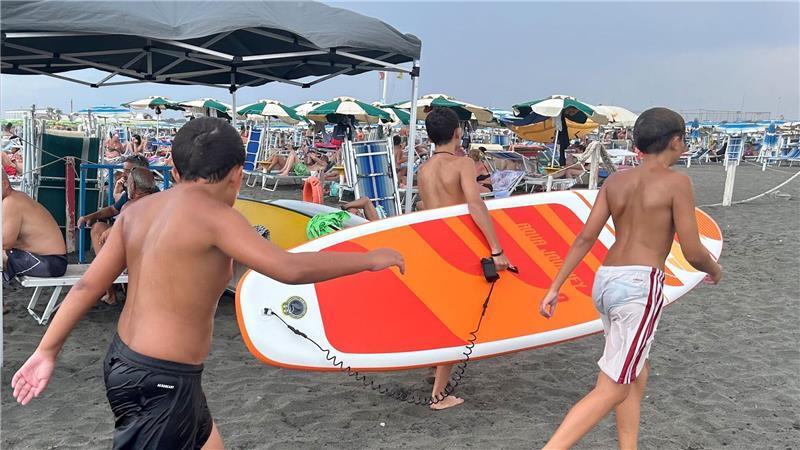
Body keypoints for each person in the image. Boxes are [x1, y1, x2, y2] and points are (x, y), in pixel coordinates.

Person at [11, 117, 404, 449]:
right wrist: (368, 259)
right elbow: (288, 269)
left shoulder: (137, 212)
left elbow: (85, 287)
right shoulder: (219, 217)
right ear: (237, 175)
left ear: (177, 172)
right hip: (161, 379)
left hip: (131, 362)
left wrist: (47, 351)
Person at [537, 108, 723, 449]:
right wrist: (715, 270)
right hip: (640, 286)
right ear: (675, 141)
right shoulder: (677, 182)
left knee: (636, 369)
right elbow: (694, 250)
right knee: (613, 386)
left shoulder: (616, 181)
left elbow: (585, 238)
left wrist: (555, 286)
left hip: (606, 280)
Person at [416, 108, 511, 410]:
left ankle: (434, 367)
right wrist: (496, 249)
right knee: (456, 318)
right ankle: (439, 395)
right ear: (457, 132)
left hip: (432, 245)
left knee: (439, 311)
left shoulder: (424, 169)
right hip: (457, 246)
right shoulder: (463, 164)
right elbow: (475, 205)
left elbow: (423, 208)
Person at [77, 155, 149, 304]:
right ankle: (110, 291)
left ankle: (110, 283)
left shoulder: (151, 194)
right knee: (97, 228)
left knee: (103, 231)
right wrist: (89, 216)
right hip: (126, 240)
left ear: (139, 173)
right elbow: (112, 209)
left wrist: (117, 228)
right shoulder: (130, 193)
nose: (123, 174)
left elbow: (141, 222)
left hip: (141, 246)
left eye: (128, 171)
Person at [89, 167, 161, 306]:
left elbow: (132, 227)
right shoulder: (158, 200)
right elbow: (114, 210)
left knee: (99, 231)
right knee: (100, 229)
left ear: (133, 185)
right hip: (149, 254)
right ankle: (111, 289)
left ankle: (109, 291)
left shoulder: (131, 205)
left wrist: (114, 229)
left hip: (134, 257)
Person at [2, 172, 67, 313]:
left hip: (51, 262)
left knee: (2, 256)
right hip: (51, 260)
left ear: (5, 184)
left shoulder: (11, 202)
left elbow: (5, 242)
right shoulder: (17, 197)